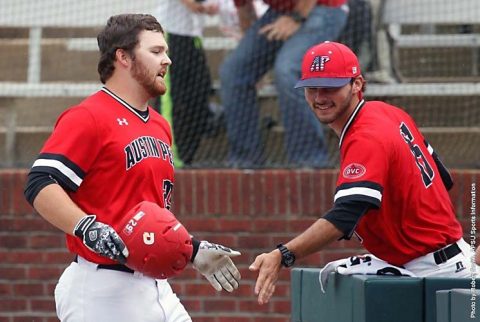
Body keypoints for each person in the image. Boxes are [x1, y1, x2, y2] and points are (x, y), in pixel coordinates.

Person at [23, 14, 241, 321]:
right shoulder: (88, 116)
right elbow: (40, 182)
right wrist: (84, 226)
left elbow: (145, 214)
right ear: (122, 57)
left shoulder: (160, 125)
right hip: (102, 287)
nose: (166, 60)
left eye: (165, 51)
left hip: (156, 285)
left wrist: (192, 250)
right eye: (155, 52)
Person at [249, 41, 476, 304]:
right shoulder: (387, 112)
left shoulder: (366, 135)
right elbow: (442, 178)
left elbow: (346, 216)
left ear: (357, 84)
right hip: (438, 261)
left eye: (330, 87)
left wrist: (283, 254)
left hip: (436, 274)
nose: (320, 97)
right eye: (312, 88)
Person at [219, 0, 349, 168]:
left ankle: (309, 161)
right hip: (279, 12)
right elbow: (244, 9)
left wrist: (295, 18)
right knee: (233, 72)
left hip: (324, 8)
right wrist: (252, 59)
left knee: (287, 69)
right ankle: (246, 161)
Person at [154, 0, 219, 167]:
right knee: (170, 99)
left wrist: (209, 5)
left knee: (199, 95)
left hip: (193, 36)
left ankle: (186, 157)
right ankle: (167, 157)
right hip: (170, 35)